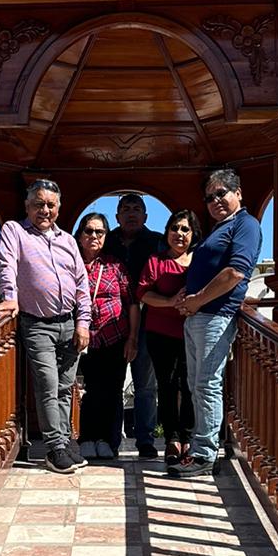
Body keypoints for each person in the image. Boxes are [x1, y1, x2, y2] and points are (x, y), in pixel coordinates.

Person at [0, 178, 91, 473]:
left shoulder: (68, 241)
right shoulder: (15, 231)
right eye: (38, 204)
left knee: (65, 387)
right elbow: (6, 265)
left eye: (50, 205)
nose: (45, 210)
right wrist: (9, 297)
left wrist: (83, 322)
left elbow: (82, 284)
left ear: (58, 208)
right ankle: (54, 448)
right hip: (37, 324)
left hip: (69, 324)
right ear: (27, 206)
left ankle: (64, 440)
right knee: (48, 385)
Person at [173, 169, 263, 478]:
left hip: (216, 317)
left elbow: (236, 272)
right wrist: (188, 294)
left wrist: (198, 300)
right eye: (209, 197)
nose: (215, 201)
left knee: (207, 385)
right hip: (197, 317)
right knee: (196, 386)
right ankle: (200, 449)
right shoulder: (218, 228)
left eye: (221, 193)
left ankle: (204, 455)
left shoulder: (246, 225)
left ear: (238, 193)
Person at [137, 209, 201, 468]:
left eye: (185, 229)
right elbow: (143, 294)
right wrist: (171, 301)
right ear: (167, 232)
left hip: (194, 332)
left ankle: (188, 438)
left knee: (190, 385)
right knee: (167, 385)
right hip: (160, 332)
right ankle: (172, 439)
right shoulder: (156, 261)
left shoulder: (201, 261)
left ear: (194, 234)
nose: (179, 233)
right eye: (175, 228)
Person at [75, 212, 139, 461]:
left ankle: (107, 441)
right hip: (83, 338)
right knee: (89, 389)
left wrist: (132, 338)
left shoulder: (115, 265)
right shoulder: (70, 263)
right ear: (80, 234)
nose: (94, 236)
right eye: (89, 231)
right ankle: (87, 438)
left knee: (112, 389)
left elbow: (131, 303)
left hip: (115, 336)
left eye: (99, 232)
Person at [104, 192, 163, 458]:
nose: (131, 213)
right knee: (112, 384)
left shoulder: (158, 242)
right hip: (111, 323)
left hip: (150, 321)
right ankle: (111, 439)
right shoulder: (106, 242)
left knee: (145, 385)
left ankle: (146, 440)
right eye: (125, 209)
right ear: (117, 216)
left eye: (136, 209)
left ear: (145, 216)